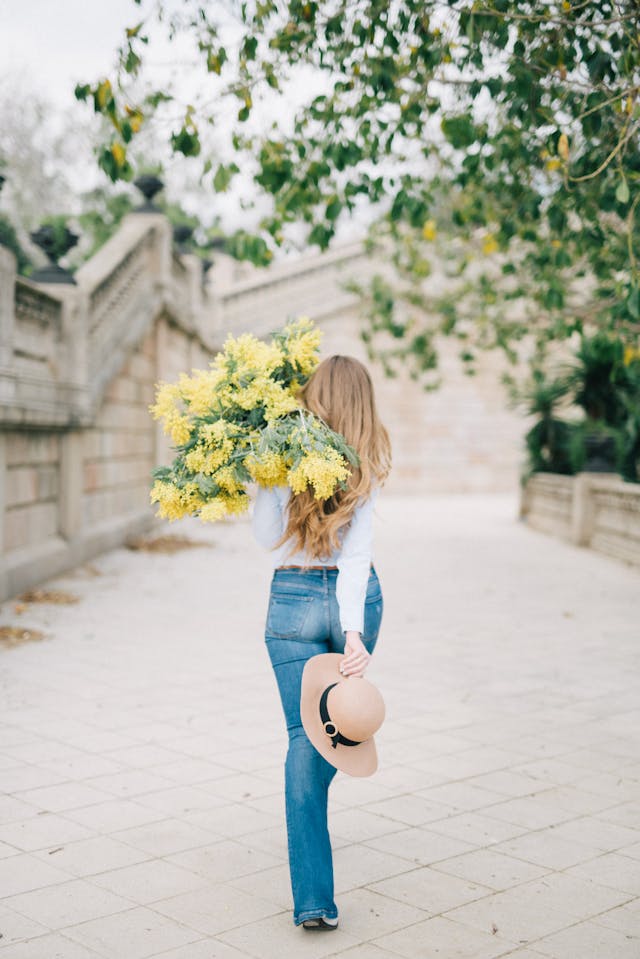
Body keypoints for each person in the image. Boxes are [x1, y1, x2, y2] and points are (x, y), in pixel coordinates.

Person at [251, 354, 392, 931]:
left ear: (313, 398)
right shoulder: (368, 460)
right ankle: (313, 836)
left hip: (293, 599)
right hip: (356, 601)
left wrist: (262, 478)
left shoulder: (281, 451)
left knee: (303, 740)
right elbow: (357, 557)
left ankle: (313, 895)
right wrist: (353, 632)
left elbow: (267, 537)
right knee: (330, 731)